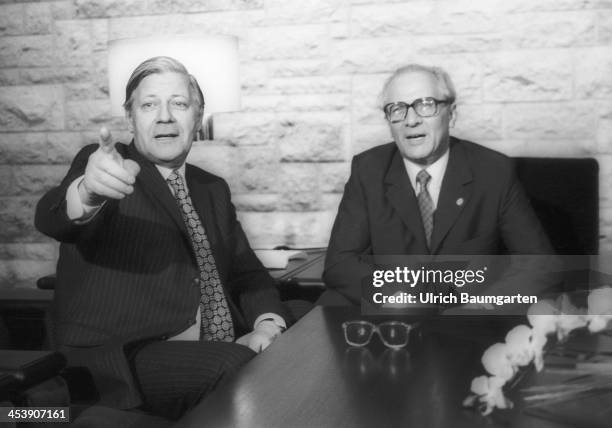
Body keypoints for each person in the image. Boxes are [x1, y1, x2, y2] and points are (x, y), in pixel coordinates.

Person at [35, 56, 288, 419]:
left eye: (179, 104)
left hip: (210, 343)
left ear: (197, 120)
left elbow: (247, 272)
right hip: (121, 356)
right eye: (149, 104)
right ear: (130, 118)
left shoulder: (211, 187)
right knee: (235, 363)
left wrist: (266, 325)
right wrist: (88, 192)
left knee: (304, 322)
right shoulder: (110, 166)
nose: (165, 116)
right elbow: (54, 217)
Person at [320, 64, 553, 306]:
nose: (411, 120)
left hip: (469, 323)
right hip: (392, 319)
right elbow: (340, 263)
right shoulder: (368, 170)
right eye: (397, 109)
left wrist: (488, 302)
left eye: (425, 105)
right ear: (389, 122)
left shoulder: (493, 171)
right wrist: (394, 296)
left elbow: (539, 265)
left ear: (451, 115)